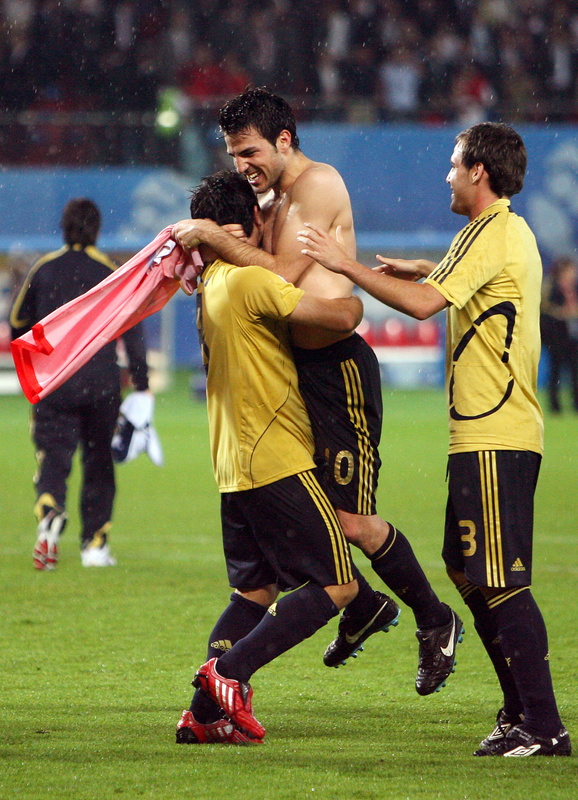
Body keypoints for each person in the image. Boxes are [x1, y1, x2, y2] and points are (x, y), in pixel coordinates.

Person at [172, 86, 462, 697]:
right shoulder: (269, 199)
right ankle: (363, 608)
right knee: (307, 523)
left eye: (249, 152)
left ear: (283, 140)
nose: (241, 165)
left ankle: (435, 620)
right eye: (233, 154)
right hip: (293, 373)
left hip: (337, 371)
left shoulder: (318, 185)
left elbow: (280, 274)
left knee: (349, 521)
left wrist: (211, 236)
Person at [298, 121, 571, 757]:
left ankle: (544, 725)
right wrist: (422, 268)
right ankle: (519, 711)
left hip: (496, 435)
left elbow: (425, 305)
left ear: (479, 171)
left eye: (453, 165)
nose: (446, 176)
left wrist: (342, 264)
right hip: (480, 436)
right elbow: (460, 281)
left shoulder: (496, 231)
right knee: (466, 568)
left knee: (501, 579)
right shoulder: (492, 232)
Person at [175, 169, 361, 745]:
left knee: (254, 594)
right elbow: (342, 317)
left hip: (232, 464)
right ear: (252, 220)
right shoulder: (249, 280)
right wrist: (347, 280)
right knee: (339, 585)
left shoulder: (210, 283)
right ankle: (227, 674)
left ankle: (202, 717)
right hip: (275, 457)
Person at [10, 198, 151, 570]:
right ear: (97, 229)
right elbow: (132, 330)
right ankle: (95, 545)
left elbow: (17, 323)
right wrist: (141, 382)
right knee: (99, 462)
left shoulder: (44, 268)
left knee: (53, 457)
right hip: (101, 382)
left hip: (56, 380)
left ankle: (49, 508)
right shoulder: (110, 271)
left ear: (64, 226)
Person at [540, 256, 578, 413]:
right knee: (555, 370)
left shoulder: (574, 288)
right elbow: (545, 309)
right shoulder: (551, 287)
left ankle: (575, 404)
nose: (572, 274)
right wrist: (561, 312)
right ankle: (555, 405)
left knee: (575, 370)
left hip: (573, 335)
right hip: (556, 336)